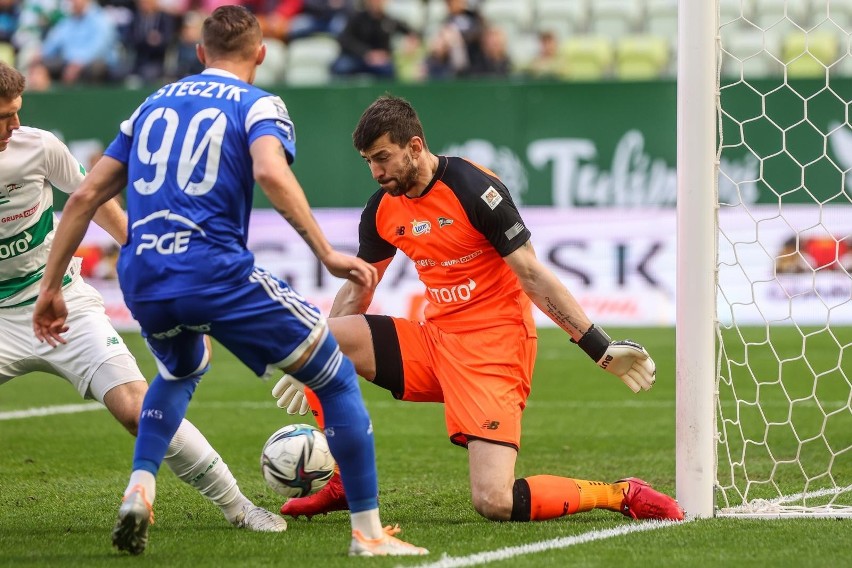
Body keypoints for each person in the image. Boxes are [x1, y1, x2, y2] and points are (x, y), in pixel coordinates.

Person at [32, 7, 426, 558]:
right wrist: (325, 252)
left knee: (181, 369)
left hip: (143, 274)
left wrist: (51, 287)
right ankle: (369, 534)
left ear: (199, 53)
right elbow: (269, 170)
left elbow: (82, 198)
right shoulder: (258, 103)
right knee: (335, 378)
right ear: (260, 54)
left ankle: (141, 487)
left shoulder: (151, 104)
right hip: (214, 270)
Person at [272, 94, 686, 524]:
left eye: (382, 158)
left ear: (415, 147)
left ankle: (619, 493)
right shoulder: (381, 208)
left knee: (494, 501)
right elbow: (358, 289)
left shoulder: (475, 190)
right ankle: (343, 482)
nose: (376, 172)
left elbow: (532, 275)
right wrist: (309, 355)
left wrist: (598, 346)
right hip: (435, 343)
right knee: (322, 337)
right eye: (368, 162)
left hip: (495, 351)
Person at [0, 60, 287, 541]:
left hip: (62, 304)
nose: (14, 126)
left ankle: (238, 506)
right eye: (3, 117)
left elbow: (89, 197)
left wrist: (139, 248)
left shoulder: (38, 146)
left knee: (137, 408)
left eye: (17, 113)